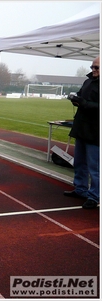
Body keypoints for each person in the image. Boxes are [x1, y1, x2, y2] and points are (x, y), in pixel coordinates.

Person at [64, 56, 100, 209]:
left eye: (97, 68)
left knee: (95, 167)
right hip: (81, 128)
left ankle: (95, 195)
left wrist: (84, 104)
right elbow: (81, 95)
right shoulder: (87, 81)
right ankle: (80, 189)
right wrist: (76, 99)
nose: (93, 70)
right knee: (79, 162)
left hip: (95, 131)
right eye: (92, 67)